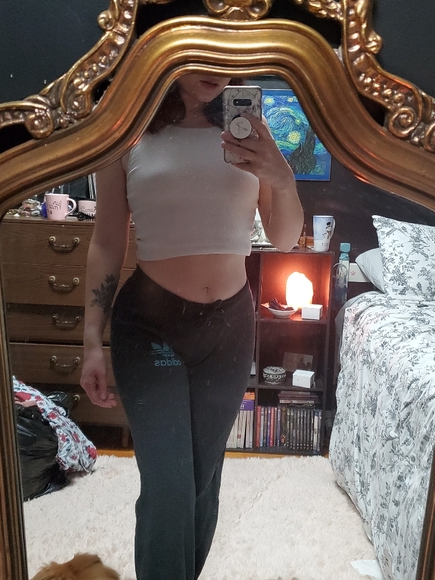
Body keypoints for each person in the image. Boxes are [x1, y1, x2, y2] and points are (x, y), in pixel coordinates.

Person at [80, 73, 303, 580]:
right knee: (168, 485)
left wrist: (282, 178)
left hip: (228, 328)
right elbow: (106, 241)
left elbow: (286, 238)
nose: (214, 69)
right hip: (150, 327)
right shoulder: (126, 131)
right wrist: (91, 339)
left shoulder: (249, 130)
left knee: (203, 481)